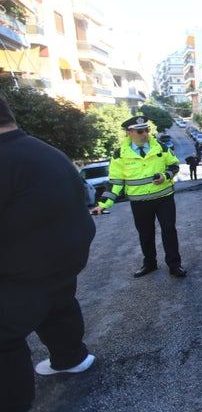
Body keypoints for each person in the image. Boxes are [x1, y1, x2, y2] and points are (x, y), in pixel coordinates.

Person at [0, 98, 96, 411]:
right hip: (67, 254)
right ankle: (71, 357)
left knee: (5, 335)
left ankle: (15, 402)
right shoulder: (45, 150)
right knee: (58, 304)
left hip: (23, 267)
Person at [90, 116, 187, 278]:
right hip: (140, 202)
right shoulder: (120, 154)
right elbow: (115, 182)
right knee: (145, 234)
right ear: (129, 133)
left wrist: (165, 175)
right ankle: (150, 264)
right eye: (140, 131)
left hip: (164, 198)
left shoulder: (160, 147)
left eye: (147, 130)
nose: (145, 134)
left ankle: (174, 265)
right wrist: (103, 204)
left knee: (169, 230)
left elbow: (174, 165)